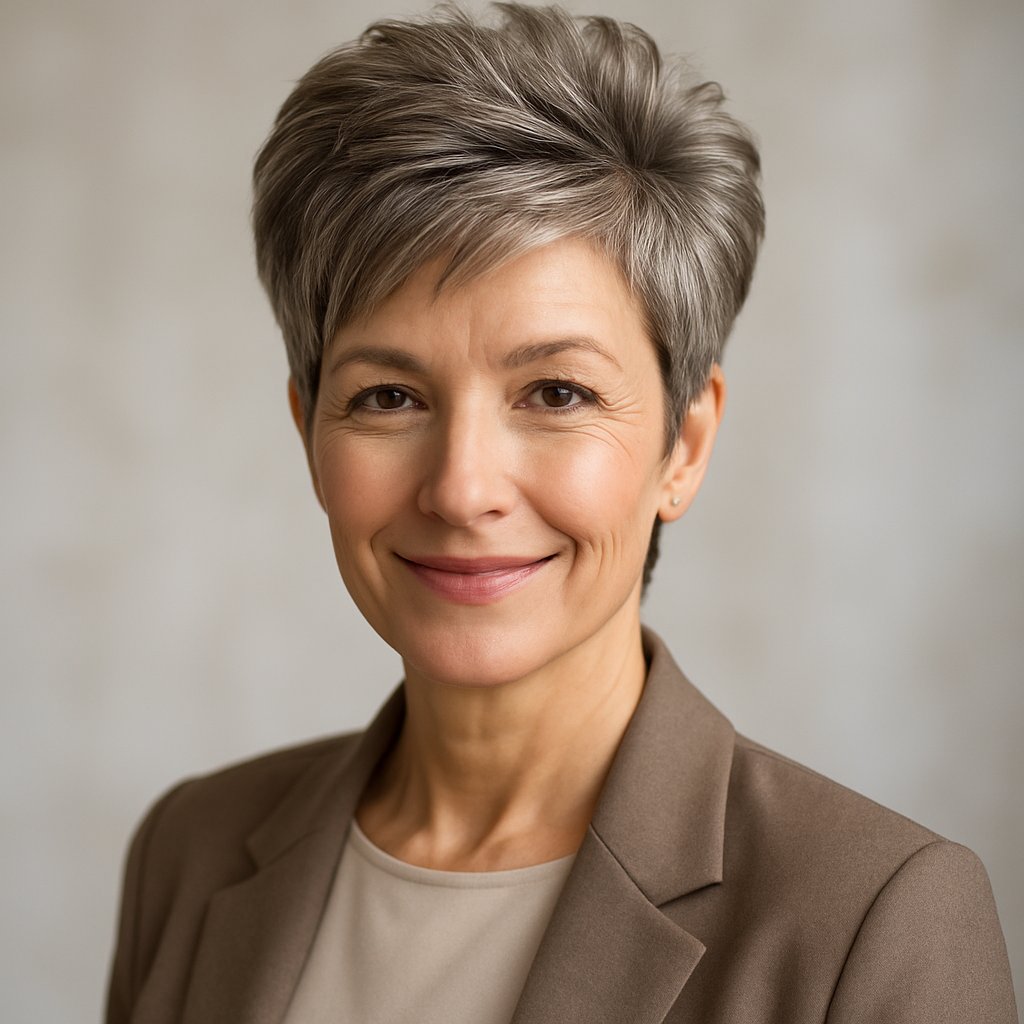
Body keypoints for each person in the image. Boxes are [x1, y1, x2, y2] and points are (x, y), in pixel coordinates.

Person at [105, 4, 1017, 1023]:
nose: (462, 489)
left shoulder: (875, 920)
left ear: (684, 443)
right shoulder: (187, 851)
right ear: (308, 431)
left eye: (556, 393)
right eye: (389, 397)